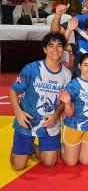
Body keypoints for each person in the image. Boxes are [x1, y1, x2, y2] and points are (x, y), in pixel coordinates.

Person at [9, 33, 72, 171]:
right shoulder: (31, 69)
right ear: (44, 49)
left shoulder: (67, 74)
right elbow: (13, 91)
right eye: (51, 46)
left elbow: (63, 100)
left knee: (49, 163)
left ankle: (32, 148)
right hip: (26, 122)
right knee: (18, 166)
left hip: (49, 124)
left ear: (63, 49)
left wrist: (56, 115)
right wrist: (18, 112)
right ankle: (20, 149)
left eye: (59, 46)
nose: (55, 49)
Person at [59, 53, 88, 166]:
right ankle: (62, 147)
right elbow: (70, 113)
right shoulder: (73, 85)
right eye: (86, 65)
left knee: (85, 161)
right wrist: (67, 103)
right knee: (71, 163)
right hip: (73, 126)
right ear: (80, 66)